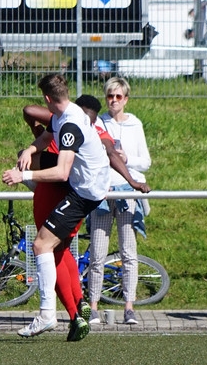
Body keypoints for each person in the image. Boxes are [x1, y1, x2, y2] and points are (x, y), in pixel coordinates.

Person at [19, 93, 150, 341]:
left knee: (48, 251)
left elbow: (29, 111)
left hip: (55, 189)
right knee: (62, 250)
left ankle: (71, 313)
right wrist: (43, 129)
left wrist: (41, 132)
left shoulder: (73, 123)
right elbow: (111, 154)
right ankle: (79, 303)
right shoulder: (85, 125)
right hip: (75, 196)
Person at [2, 74, 111, 339]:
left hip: (85, 192)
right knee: (53, 247)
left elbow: (62, 172)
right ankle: (74, 306)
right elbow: (47, 136)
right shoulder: (64, 113)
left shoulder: (71, 123)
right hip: (83, 184)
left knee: (42, 245)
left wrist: (23, 176)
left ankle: (47, 315)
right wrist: (30, 150)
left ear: (48, 98)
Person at [88, 77, 152, 326]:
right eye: (109, 96)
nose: (113, 101)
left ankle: (129, 307)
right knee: (97, 252)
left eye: (118, 96)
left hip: (127, 191)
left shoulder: (135, 124)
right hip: (104, 193)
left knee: (128, 251)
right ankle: (93, 306)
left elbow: (145, 162)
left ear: (125, 99)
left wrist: (127, 159)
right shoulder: (98, 122)